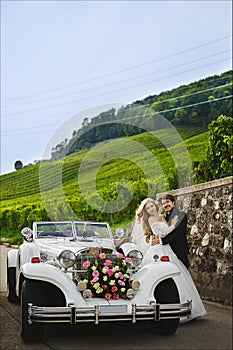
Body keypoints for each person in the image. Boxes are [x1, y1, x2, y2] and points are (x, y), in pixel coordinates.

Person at [135, 197, 207, 322]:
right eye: (148, 208)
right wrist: (172, 226)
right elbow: (163, 233)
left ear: (173, 202)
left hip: (171, 249)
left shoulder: (174, 215)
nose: (151, 209)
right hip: (159, 249)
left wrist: (169, 229)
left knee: (180, 275)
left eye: (152, 206)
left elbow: (174, 235)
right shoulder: (152, 219)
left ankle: (189, 307)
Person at [152, 193, 190, 269]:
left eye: (168, 202)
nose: (166, 205)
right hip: (166, 252)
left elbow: (178, 234)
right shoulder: (163, 218)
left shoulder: (181, 215)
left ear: (173, 202)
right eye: (163, 203)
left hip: (179, 251)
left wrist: (160, 241)